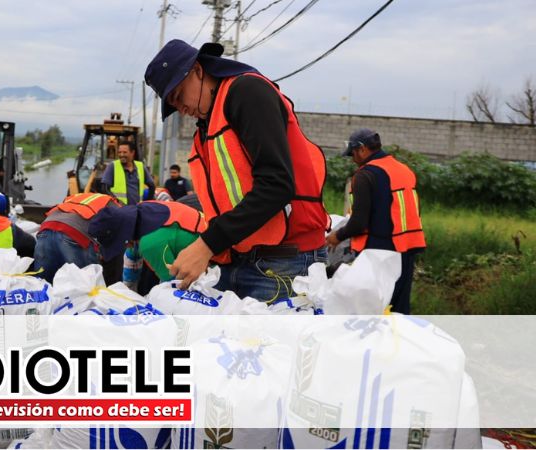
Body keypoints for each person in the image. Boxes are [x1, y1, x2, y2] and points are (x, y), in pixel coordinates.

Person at [144, 39, 329, 302]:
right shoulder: (207, 127)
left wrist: (206, 245)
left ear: (197, 70)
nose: (181, 109)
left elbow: (276, 186)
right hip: (241, 259)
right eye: (173, 104)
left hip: (284, 261)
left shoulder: (246, 91)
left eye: (179, 95)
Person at [326, 129, 426, 314]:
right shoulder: (403, 169)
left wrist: (337, 236)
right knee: (398, 308)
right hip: (406, 246)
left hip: (378, 251)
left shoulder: (365, 175)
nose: (353, 159)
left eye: (352, 154)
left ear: (362, 149)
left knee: (373, 308)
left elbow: (359, 222)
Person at [89, 201, 207, 284]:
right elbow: (132, 257)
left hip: (216, 260)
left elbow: (173, 283)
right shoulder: (143, 210)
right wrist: (128, 288)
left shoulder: (149, 243)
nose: (123, 247)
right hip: (209, 232)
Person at [33, 193, 122, 283]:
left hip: (46, 228)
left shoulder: (78, 196)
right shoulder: (114, 205)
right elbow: (114, 249)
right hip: (74, 233)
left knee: (42, 284)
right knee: (87, 286)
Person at [101, 140, 155, 205]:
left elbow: (152, 186)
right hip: (118, 210)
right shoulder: (112, 166)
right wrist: (116, 202)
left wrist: (147, 203)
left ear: (132, 153)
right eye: (119, 152)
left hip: (136, 209)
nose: (121, 155)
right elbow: (105, 189)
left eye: (124, 152)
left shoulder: (140, 166)